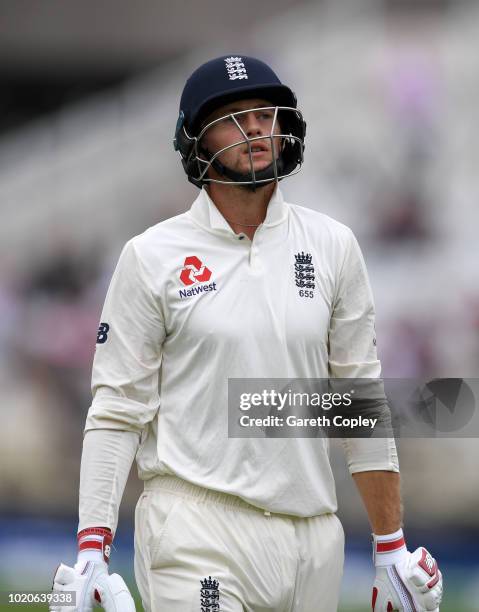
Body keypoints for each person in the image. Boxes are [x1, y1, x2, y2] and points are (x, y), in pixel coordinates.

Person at [51, 55, 443, 612]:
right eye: (233, 117)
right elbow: (117, 410)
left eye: (264, 113)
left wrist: (391, 548)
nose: (255, 127)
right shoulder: (151, 257)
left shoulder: (333, 246)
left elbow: (359, 402)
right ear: (197, 140)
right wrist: (93, 546)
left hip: (313, 539)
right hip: (195, 527)